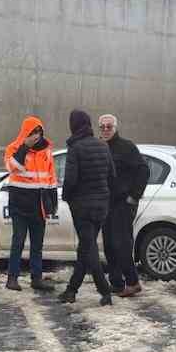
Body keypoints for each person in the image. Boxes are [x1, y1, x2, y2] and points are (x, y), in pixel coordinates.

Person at [58, 109, 114, 306]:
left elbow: (71, 179)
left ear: (74, 125)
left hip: (82, 207)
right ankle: (71, 290)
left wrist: (66, 197)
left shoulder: (76, 148)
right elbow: (111, 176)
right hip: (101, 206)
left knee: (89, 248)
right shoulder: (103, 146)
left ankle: (105, 291)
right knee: (86, 247)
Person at [2, 116, 58, 292]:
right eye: (33, 132)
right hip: (20, 203)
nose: (36, 136)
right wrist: (25, 146)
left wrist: (53, 202)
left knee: (37, 245)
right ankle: (12, 278)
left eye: (39, 132)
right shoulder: (13, 148)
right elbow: (13, 167)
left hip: (39, 204)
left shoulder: (46, 151)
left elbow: (51, 177)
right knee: (18, 241)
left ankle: (36, 278)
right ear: (25, 132)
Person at [97, 113, 146, 297]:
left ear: (116, 127)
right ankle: (117, 283)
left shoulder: (126, 147)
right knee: (109, 244)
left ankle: (133, 282)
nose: (106, 130)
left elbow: (143, 170)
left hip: (123, 204)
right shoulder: (100, 147)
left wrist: (134, 195)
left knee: (122, 243)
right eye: (102, 127)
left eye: (109, 126)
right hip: (106, 203)